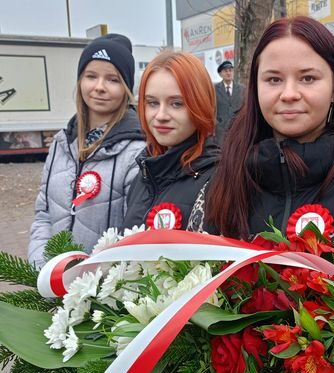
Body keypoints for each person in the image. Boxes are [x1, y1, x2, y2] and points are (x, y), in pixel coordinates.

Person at [188, 16, 334, 277]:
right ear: (255, 88)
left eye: (308, 78)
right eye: (273, 80)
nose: (289, 93)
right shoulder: (220, 187)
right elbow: (189, 291)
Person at [28, 34, 145, 268]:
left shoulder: (137, 151)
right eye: (91, 76)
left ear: (126, 88)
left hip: (99, 290)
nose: (99, 87)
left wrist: (90, 285)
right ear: (80, 80)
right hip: (51, 282)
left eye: (112, 79)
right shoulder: (61, 144)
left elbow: (132, 233)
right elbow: (43, 215)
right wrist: (42, 269)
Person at [122, 51, 218, 230]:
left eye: (176, 104)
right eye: (152, 103)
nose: (161, 116)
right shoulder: (143, 174)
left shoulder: (218, 180)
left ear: (201, 104)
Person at [214, 60, 245, 138]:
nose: (228, 73)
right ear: (220, 74)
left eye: (230, 70)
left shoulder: (242, 89)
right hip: (221, 131)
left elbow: (245, 108)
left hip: (238, 130)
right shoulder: (214, 89)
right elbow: (211, 109)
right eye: (225, 71)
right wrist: (217, 124)